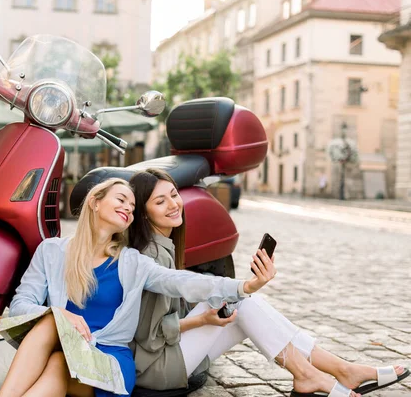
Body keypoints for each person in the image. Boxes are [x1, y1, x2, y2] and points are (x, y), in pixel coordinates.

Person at [0, 177, 273, 397]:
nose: (129, 208)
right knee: (55, 341)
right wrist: (59, 314)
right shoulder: (52, 252)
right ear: (95, 202)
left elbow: (184, 283)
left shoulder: (132, 262)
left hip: (109, 364)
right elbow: (20, 306)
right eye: (122, 200)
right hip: (64, 358)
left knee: (56, 338)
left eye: (132, 208)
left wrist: (245, 285)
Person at [128, 168, 408, 397]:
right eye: (159, 201)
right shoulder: (150, 254)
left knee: (244, 307)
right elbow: (146, 335)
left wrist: (209, 312)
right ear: (143, 212)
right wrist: (203, 319)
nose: (173, 204)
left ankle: (334, 371)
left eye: (174, 195)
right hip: (157, 368)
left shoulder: (163, 245)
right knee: (243, 303)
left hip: (170, 356)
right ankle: (324, 374)